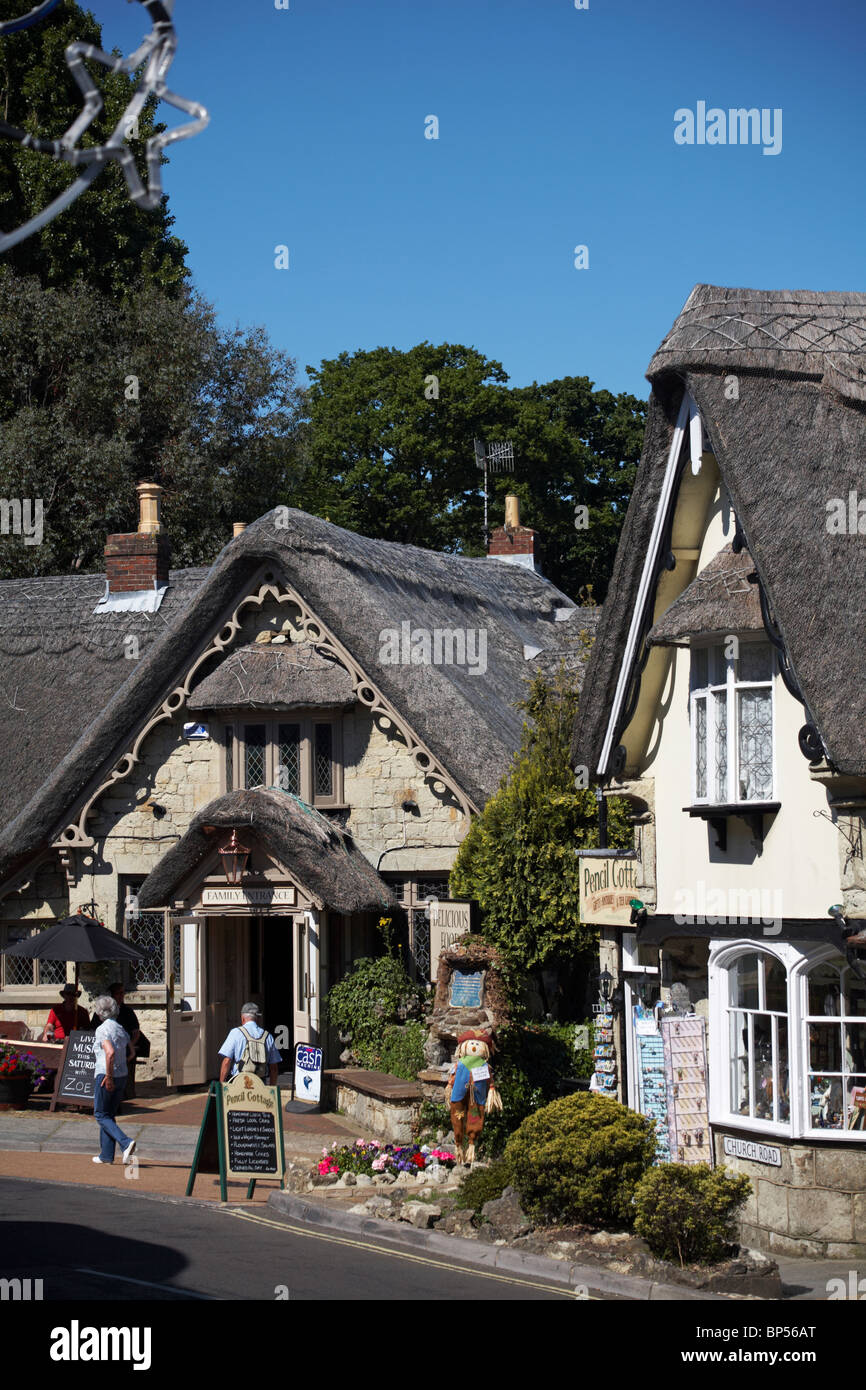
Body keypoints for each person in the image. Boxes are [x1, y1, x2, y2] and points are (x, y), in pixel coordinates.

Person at [90, 994, 137, 1166]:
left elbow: (109, 1052)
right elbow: (131, 1052)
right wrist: (120, 1064)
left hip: (106, 1074)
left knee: (100, 1114)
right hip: (122, 1075)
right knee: (109, 1114)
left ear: (99, 1013)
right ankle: (106, 1155)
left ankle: (125, 1142)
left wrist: (109, 1076)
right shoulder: (120, 1028)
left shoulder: (102, 1029)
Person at [92, 982, 141, 1099]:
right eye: (119, 993)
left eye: (123, 993)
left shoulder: (127, 1012)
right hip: (108, 1059)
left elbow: (135, 1033)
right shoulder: (103, 1020)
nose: (121, 995)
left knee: (105, 1106)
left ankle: (126, 1093)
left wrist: (127, 1048)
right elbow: (91, 1030)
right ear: (112, 995)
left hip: (115, 1058)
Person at [218, 1004, 280, 1084]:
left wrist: (221, 1085)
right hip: (260, 1083)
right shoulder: (268, 1036)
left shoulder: (235, 1033)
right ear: (257, 1018)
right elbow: (274, 1068)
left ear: (242, 1018)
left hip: (239, 1082)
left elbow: (227, 1061)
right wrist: (271, 1088)